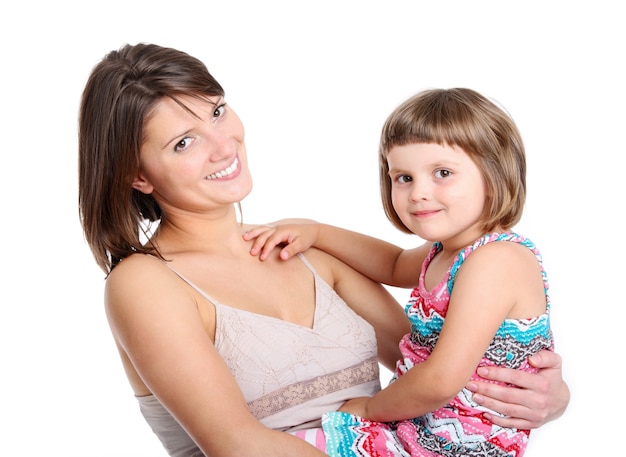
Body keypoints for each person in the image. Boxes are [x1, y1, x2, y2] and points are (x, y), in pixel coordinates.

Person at [77, 43, 568, 457]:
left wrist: (540, 396)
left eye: (218, 111)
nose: (223, 146)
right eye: (184, 142)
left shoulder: (306, 252)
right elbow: (236, 446)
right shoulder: (145, 283)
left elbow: (431, 365)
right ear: (136, 175)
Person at [245, 88, 560, 456]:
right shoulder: (449, 250)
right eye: (404, 177)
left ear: (493, 175)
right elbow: (392, 264)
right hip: (424, 420)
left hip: (456, 442)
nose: (418, 193)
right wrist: (318, 231)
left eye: (442, 173)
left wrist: (369, 410)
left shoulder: (497, 260)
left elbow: (442, 380)